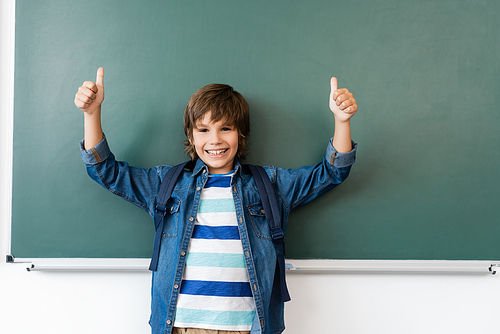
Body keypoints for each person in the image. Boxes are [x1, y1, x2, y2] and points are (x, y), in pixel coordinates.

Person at [74, 67, 358, 334]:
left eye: (226, 129)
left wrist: (341, 120)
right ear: (191, 134)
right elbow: (105, 171)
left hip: (248, 326)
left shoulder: (269, 185)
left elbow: (333, 171)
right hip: (181, 325)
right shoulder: (168, 184)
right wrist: (92, 114)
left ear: (240, 133)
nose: (215, 140)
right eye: (204, 130)